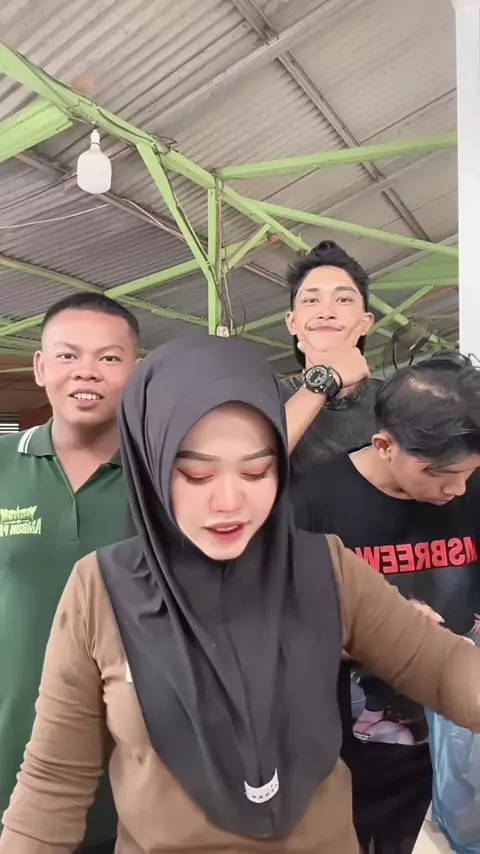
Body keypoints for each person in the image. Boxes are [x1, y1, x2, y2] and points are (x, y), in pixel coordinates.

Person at [2, 333, 480, 854]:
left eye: (256, 470)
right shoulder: (101, 588)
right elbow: (54, 780)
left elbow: (444, 668)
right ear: (150, 462)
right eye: (196, 473)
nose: (230, 501)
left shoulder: (325, 568)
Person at [292, 352, 480, 854]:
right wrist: (381, 632)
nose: (457, 488)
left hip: (457, 757)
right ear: (384, 445)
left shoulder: (470, 490)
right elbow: (282, 626)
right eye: (441, 474)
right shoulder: (312, 505)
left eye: (469, 472)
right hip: (350, 758)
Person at [0, 292, 139, 853]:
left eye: (109, 358)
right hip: (12, 749)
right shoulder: (3, 465)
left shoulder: (165, 480)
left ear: (135, 371)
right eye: (67, 355)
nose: (87, 371)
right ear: (40, 367)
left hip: (135, 758)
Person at [280, 240, 377, 476]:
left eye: (343, 299)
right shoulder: (266, 395)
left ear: (365, 323)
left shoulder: (395, 400)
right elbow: (250, 463)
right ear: (292, 323)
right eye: (311, 300)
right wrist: (328, 379)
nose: (326, 313)